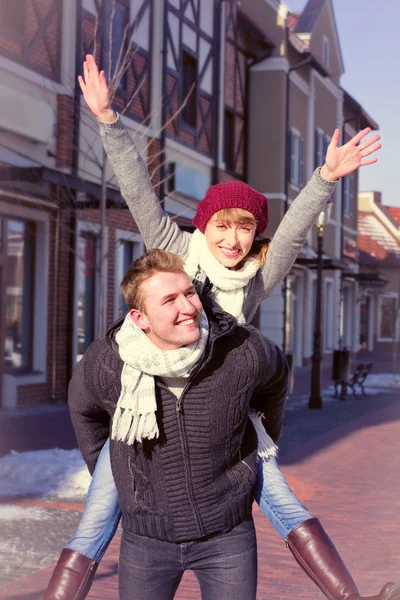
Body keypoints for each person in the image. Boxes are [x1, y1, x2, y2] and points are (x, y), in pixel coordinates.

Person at [44, 56, 398, 600]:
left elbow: (295, 233)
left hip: (223, 402)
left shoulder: (258, 275)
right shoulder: (172, 250)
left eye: (246, 229)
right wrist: (109, 119)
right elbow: (138, 189)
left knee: (281, 497)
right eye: (223, 227)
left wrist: (326, 177)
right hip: (147, 400)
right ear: (203, 224)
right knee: (97, 516)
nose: (233, 241)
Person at [65, 248, 290, 599]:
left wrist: (258, 438)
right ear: (140, 318)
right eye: (169, 300)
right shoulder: (107, 362)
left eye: (188, 293)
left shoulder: (241, 350)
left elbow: (276, 380)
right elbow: (84, 410)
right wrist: (123, 477)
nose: (188, 308)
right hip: (146, 541)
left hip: (227, 536)